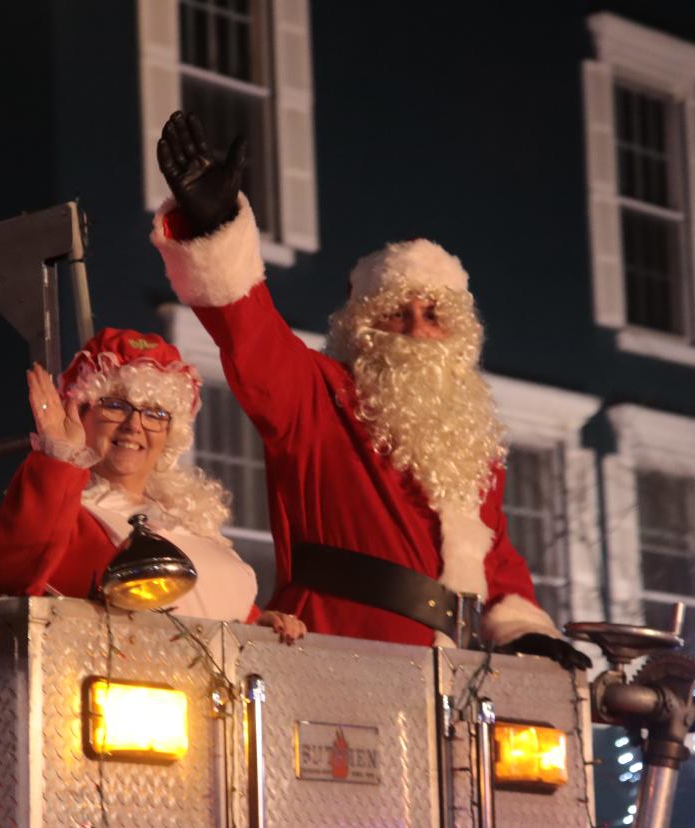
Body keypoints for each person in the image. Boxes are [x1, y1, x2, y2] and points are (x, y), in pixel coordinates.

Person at [149, 111, 587, 667]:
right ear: (364, 328)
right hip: (337, 652)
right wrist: (217, 229)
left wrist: (524, 629)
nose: (416, 329)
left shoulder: (468, 438)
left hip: (454, 671)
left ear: (457, 332)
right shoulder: (320, 397)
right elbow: (253, 337)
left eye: (433, 314)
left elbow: (493, 554)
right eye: (396, 313)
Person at [0, 327, 305, 643]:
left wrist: (258, 626)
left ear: (170, 433)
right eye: (116, 405)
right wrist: (61, 456)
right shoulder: (65, 508)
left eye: (155, 413)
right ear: (81, 414)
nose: (134, 425)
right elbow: (8, 573)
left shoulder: (188, 517)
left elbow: (209, 610)